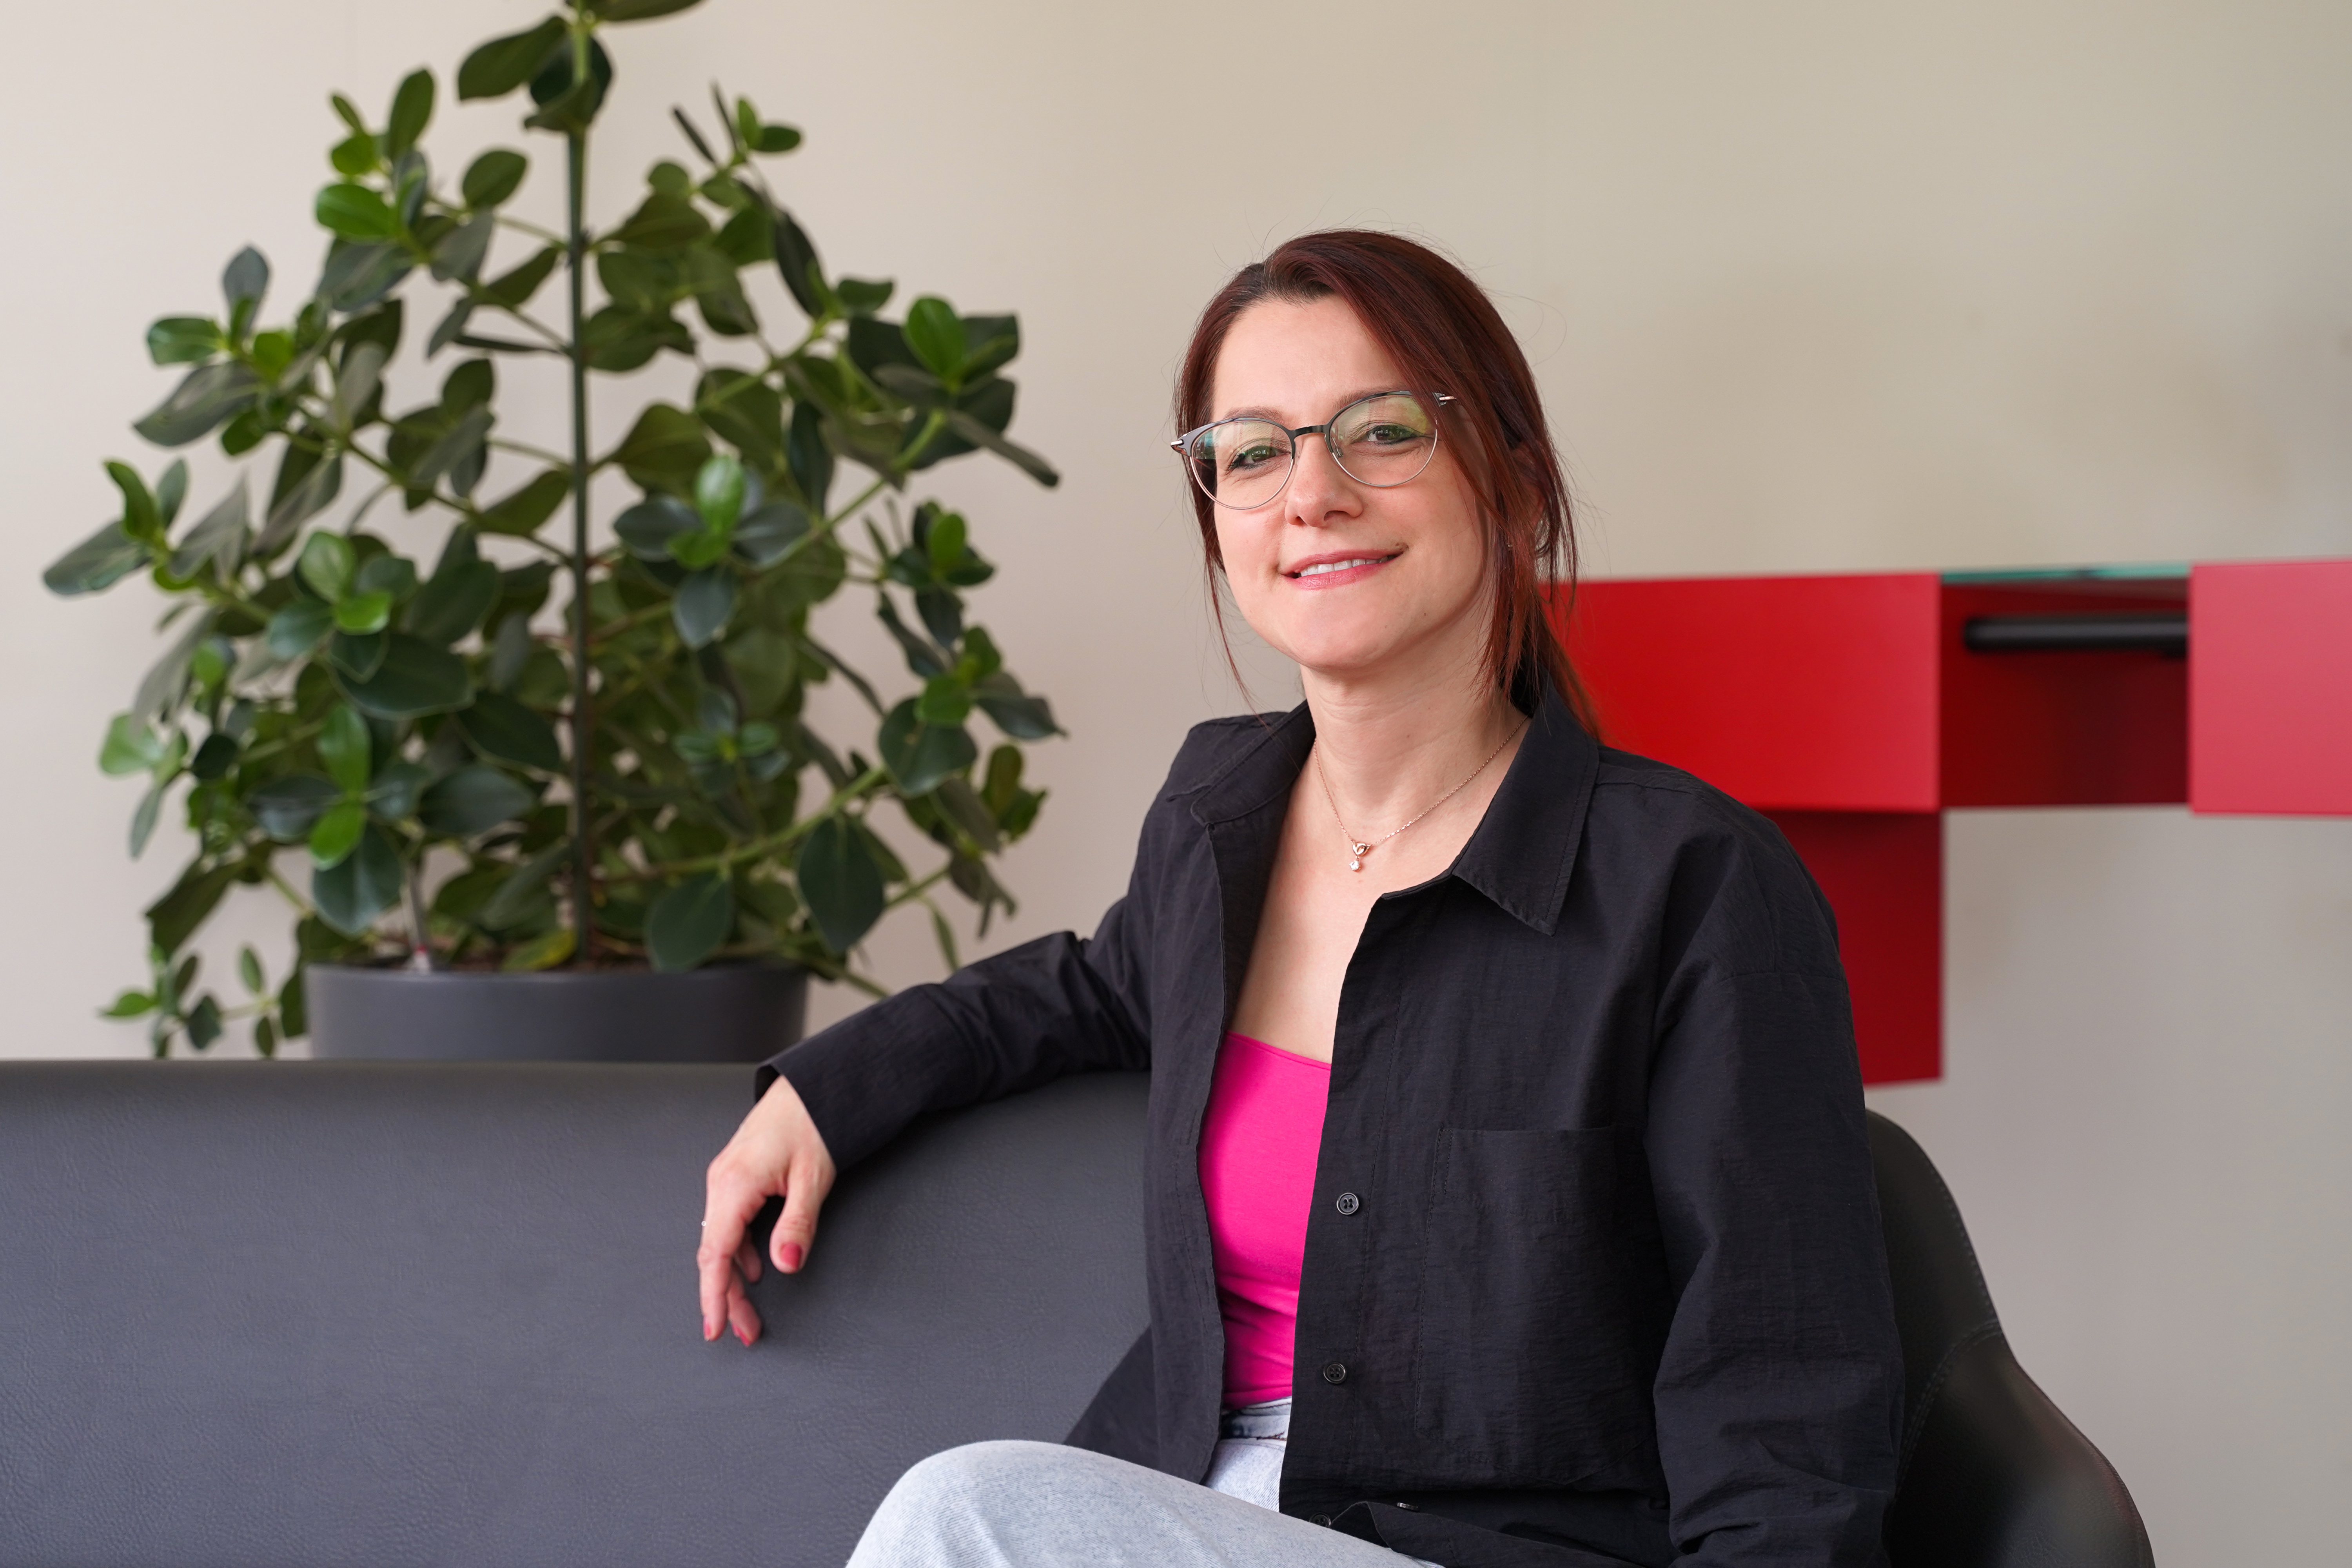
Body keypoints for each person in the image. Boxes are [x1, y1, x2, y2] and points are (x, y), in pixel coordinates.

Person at [697, 230, 1902, 1568]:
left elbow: (1786, 1407)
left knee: (967, 1517)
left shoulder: (1694, 887)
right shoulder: (1221, 820)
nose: (1310, 494)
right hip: (1189, 1508)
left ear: (1512, 474)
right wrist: (827, 1088)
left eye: (1379, 431)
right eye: (1254, 451)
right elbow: (1090, 990)